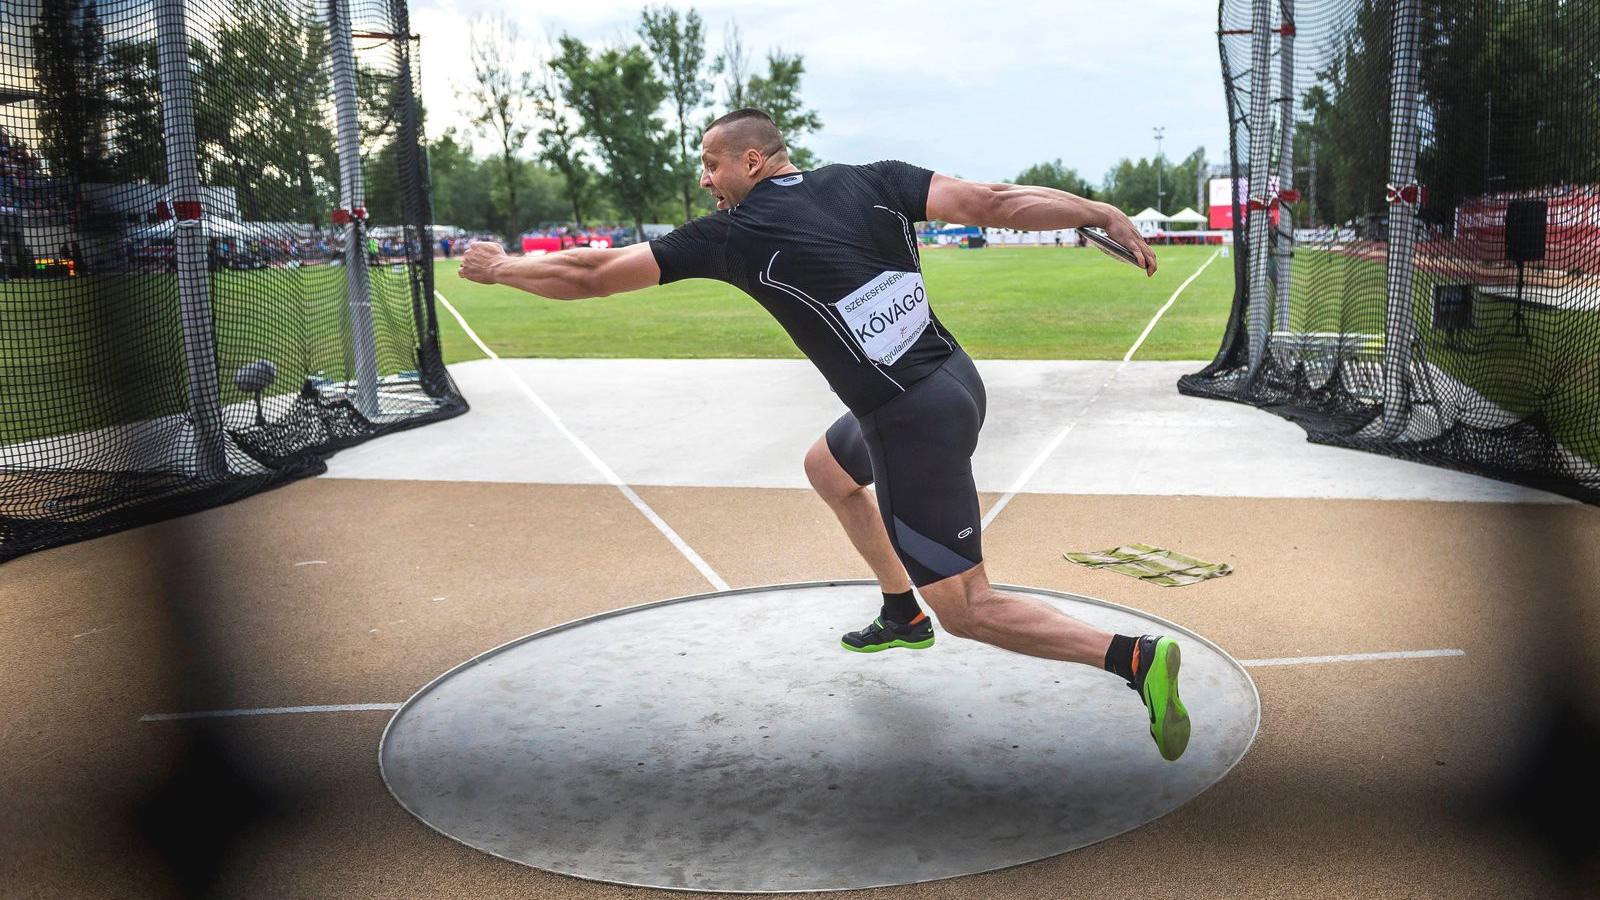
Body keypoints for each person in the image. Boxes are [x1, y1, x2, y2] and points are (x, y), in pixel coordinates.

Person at [459, 108, 1189, 761]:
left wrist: (501, 268)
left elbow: (592, 275)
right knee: (828, 470)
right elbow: (994, 201)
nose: (706, 180)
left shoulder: (737, 233)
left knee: (969, 608)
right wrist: (1097, 209)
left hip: (907, 418)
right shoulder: (872, 177)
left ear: (751, 161)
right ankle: (900, 609)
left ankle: (1133, 660)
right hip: (955, 381)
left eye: (711, 164)